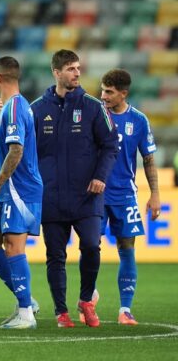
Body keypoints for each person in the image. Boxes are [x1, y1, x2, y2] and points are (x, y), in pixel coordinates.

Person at [31, 49, 118, 328]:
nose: (77, 73)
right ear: (56, 73)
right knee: (55, 256)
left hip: (87, 195)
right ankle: (61, 312)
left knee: (92, 246)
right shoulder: (36, 109)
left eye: (78, 68)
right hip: (51, 197)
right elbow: (24, 151)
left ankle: (85, 301)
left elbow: (110, 146)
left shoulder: (94, 107)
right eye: (70, 69)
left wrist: (101, 176)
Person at [0, 56, 43, 330]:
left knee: (13, 246)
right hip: (10, 190)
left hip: (19, 189)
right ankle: (25, 299)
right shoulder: (12, 107)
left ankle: (26, 312)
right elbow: (6, 141)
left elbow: (16, 150)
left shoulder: (16, 108)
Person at [100, 68, 161, 325]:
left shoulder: (139, 120)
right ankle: (88, 298)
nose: (103, 96)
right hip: (96, 194)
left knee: (127, 249)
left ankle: (125, 309)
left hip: (125, 196)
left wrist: (155, 194)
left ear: (123, 93)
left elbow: (148, 159)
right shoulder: (96, 115)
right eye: (102, 90)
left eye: (109, 92)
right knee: (90, 246)